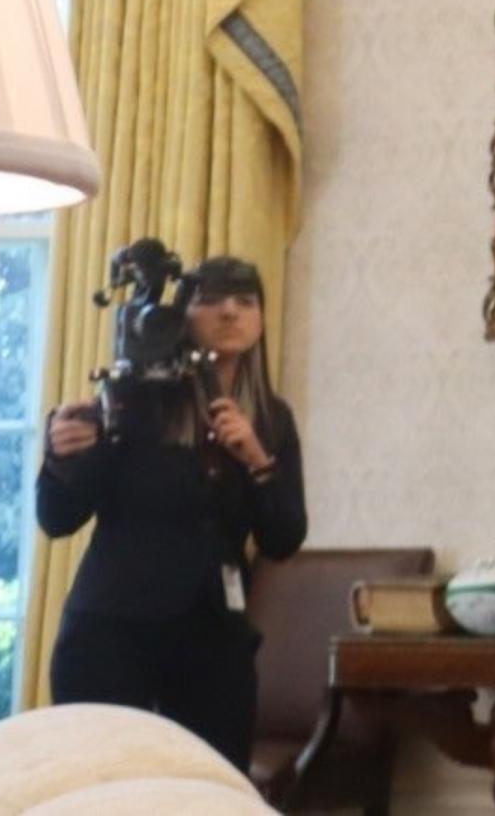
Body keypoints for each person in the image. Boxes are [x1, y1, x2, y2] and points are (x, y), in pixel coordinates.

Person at [36, 254, 305, 768]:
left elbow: (284, 537)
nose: (229, 312)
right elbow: (57, 518)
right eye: (209, 300)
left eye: (245, 301)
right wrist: (59, 458)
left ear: (261, 321)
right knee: (102, 792)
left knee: (210, 790)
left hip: (213, 639)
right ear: (181, 315)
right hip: (110, 633)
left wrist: (256, 460)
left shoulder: (271, 417)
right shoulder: (131, 401)